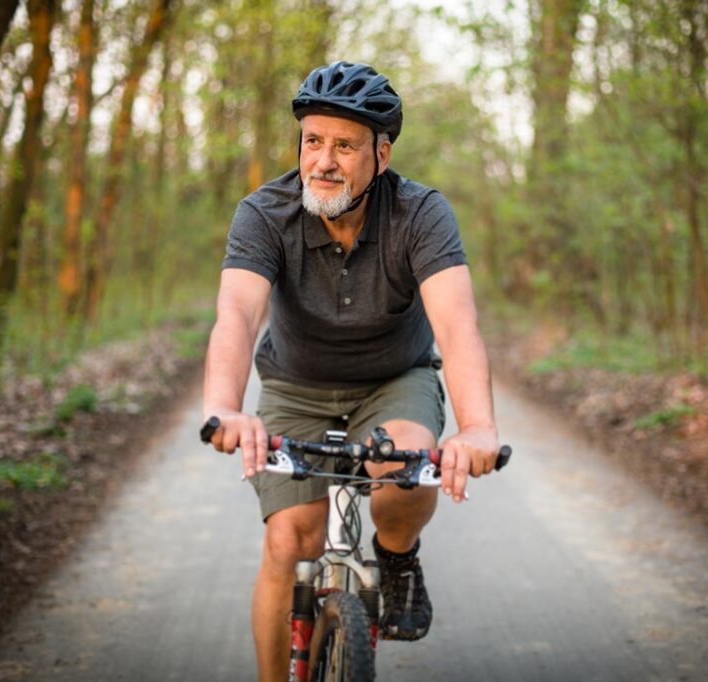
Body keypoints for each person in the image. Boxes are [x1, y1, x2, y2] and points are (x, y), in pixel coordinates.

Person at [202, 60, 501, 681]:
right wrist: (226, 406)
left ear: (381, 155)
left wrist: (475, 426)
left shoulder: (420, 214)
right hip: (295, 384)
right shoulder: (264, 213)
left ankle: (397, 558)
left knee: (402, 474)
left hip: (395, 379)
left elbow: (457, 325)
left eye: (344, 145)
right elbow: (236, 313)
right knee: (291, 540)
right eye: (313, 141)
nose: (324, 161)